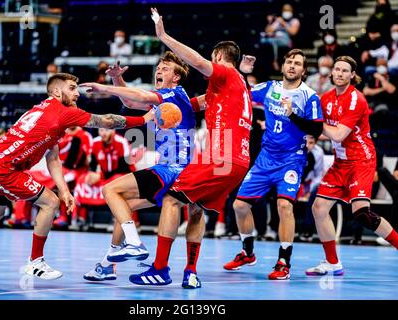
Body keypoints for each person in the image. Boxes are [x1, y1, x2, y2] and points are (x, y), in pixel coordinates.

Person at [0, 73, 150, 281]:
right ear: (57, 91)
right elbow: (107, 121)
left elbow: (53, 158)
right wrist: (145, 119)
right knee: (50, 202)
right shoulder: (64, 112)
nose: (77, 93)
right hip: (2, 167)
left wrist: (66, 191)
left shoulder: (43, 108)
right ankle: (35, 262)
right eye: (72, 88)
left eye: (77, 88)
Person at [127, 8, 253, 288]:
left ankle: (159, 268)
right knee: (195, 209)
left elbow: (195, 61)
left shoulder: (226, 75)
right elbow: (190, 106)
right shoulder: (234, 87)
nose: (210, 63)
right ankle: (191, 272)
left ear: (219, 57)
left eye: (213, 59)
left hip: (222, 154)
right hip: (237, 160)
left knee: (172, 200)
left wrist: (163, 35)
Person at [80, 51, 201, 286]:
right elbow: (131, 101)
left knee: (110, 190)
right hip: (173, 171)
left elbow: (139, 95)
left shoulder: (173, 94)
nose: (159, 70)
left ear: (176, 77)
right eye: (158, 66)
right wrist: (117, 78)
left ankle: (134, 243)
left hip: (171, 170)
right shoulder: (166, 102)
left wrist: (105, 88)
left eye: (165, 68)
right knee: (123, 209)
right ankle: (107, 266)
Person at [224, 49, 323, 280]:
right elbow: (242, 94)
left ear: (303, 70)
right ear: (283, 66)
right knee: (239, 205)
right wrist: (242, 72)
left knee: (284, 206)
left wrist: (292, 115)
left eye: (297, 63)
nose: (292, 66)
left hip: (292, 158)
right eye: (289, 62)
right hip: (266, 157)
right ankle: (247, 253)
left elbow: (316, 130)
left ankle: (283, 262)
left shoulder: (310, 96)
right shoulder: (270, 88)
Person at [305, 56, 398, 276]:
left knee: (362, 213)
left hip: (361, 160)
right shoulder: (325, 98)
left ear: (351, 75)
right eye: (336, 69)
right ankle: (333, 263)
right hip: (340, 162)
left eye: (344, 70)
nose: (339, 73)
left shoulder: (357, 99)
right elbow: (316, 128)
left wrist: (315, 124)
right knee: (318, 208)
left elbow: (337, 134)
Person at [260, 3, 300, 71]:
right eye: (285, 10)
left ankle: (274, 61)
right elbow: (268, 30)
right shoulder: (279, 20)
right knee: (263, 40)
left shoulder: (295, 21)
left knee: (273, 41)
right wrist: (271, 22)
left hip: (286, 40)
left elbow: (293, 32)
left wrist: (284, 24)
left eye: (288, 10)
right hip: (276, 37)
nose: (286, 11)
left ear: (291, 11)